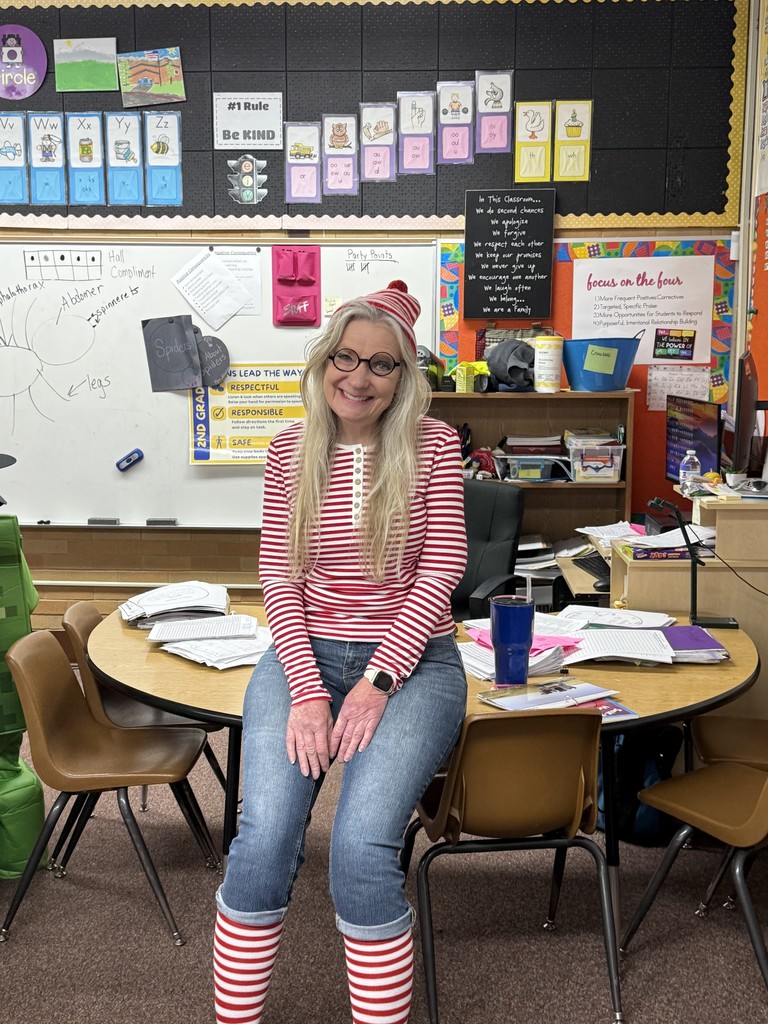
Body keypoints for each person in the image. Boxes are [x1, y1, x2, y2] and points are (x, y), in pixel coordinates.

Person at [213, 280, 468, 1024]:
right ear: (324, 360)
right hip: (305, 657)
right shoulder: (291, 448)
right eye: (346, 358)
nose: (358, 379)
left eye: (382, 365)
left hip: (415, 666)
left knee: (360, 849)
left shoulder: (435, 444)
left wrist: (378, 679)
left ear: (405, 377)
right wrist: (308, 688)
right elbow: (279, 575)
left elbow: (443, 567)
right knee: (262, 841)